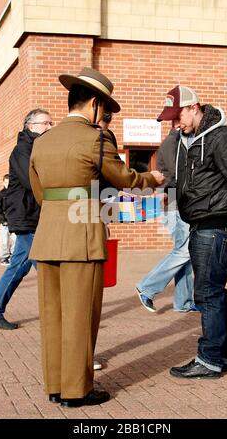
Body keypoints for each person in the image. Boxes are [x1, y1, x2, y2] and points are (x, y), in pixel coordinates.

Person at [29, 67, 165, 407]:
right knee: (79, 316)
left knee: (53, 316)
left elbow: (39, 193)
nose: (103, 116)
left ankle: (56, 385)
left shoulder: (42, 140)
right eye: (104, 110)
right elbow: (122, 178)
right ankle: (77, 390)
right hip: (82, 238)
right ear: (93, 104)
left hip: (48, 237)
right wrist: (153, 178)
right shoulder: (95, 138)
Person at [157, 85, 227, 379]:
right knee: (216, 291)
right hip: (200, 224)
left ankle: (209, 359)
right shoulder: (187, 140)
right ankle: (226, 353)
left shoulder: (219, 138)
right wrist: (171, 198)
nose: (175, 124)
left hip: (216, 226)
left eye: (178, 117)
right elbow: (190, 181)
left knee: (206, 294)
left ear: (194, 107)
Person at [0, 108, 53, 330]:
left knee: (26, 266)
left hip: (34, 216)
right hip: (26, 216)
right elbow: (31, 180)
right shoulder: (22, 150)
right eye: (46, 123)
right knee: (41, 267)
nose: (50, 127)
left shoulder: (38, 148)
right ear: (31, 126)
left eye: (51, 123)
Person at [136, 131, 197, 313]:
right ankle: (146, 287)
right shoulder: (174, 142)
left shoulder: (180, 141)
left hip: (177, 205)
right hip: (174, 205)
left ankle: (183, 302)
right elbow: (178, 176)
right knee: (185, 251)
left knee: (184, 254)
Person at [0, 174, 16, 265]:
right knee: (4, 240)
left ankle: (13, 255)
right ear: (3, 182)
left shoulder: (14, 193)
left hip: (13, 220)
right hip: (4, 221)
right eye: (6, 182)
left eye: (9, 182)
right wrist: (2, 220)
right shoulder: (1, 194)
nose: (8, 184)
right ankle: (4, 257)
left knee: (15, 239)